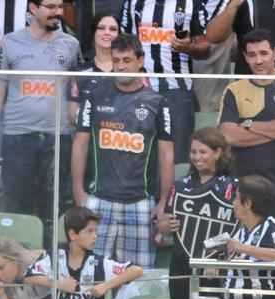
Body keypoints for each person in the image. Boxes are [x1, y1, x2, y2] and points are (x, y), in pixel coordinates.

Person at [72, 34, 174, 268]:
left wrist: (163, 202)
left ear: (140, 60)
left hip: (140, 202)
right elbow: (80, 143)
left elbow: (167, 154)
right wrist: (78, 191)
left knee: (138, 277)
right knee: (91, 273)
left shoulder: (157, 101)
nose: (120, 66)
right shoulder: (95, 95)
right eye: (116, 60)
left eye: (126, 60)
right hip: (99, 199)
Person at [0, 0, 82, 229]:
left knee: (55, 208)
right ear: (32, 8)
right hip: (18, 136)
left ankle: (51, 261)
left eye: (59, 7)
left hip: (57, 137)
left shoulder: (71, 44)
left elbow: (76, 88)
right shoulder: (9, 43)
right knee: (18, 206)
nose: (58, 12)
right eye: (50, 7)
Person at [218, 30, 275, 263]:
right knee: (241, 258)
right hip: (246, 194)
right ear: (245, 57)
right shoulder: (234, 90)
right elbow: (228, 136)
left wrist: (248, 125)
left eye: (263, 53)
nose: (258, 60)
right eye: (251, 55)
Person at [159, 126, 238, 299]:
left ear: (218, 152)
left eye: (203, 152)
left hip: (215, 264)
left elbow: (238, 226)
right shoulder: (179, 186)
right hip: (181, 261)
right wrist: (164, 225)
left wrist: (220, 260)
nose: (196, 157)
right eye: (193, 152)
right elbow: (164, 221)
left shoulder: (233, 187)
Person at [24, 206, 144, 299]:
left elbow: (136, 270)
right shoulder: (55, 258)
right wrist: (58, 284)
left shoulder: (99, 263)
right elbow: (29, 277)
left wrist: (106, 286)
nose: (95, 236)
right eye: (90, 231)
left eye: (96, 231)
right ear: (73, 235)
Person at [119, 0, 209, 162]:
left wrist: (188, 48)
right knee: (137, 152)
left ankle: (175, 188)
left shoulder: (192, 3)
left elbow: (205, 48)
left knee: (178, 155)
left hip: (177, 89)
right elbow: (123, 44)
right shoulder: (133, 3)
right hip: (139, 89)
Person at [68, 11, 118, 124]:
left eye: (113, 29)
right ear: (93, 32)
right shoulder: (79, 72)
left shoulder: (130, 70)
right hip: (89, 137)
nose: (107, 32)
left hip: (124, 137)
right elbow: (72, 115)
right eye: (101, 28)